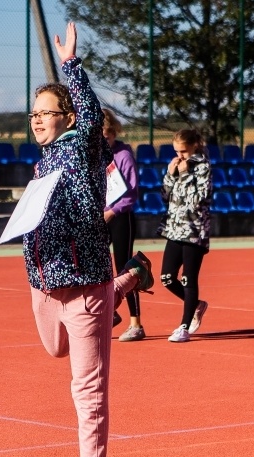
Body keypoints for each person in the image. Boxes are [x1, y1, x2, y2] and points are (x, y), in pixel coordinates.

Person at [20, 22, 153, 457]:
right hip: (44, 281)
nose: (36, 120)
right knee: (56, 350)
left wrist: (72, 65)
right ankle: (132, 279)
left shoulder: (81, 147)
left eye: (46, 113)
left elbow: (92, 112)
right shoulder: (41, 163)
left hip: (85, 282)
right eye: (32, 114)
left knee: (87, 389)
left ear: (69, 118)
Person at [158, 129, 213, 342]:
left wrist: (184, 174)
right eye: (176, 151)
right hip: (174, 228)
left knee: (188, 278)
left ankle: (184, 326)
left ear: (194, 147)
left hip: (194, 230)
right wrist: (171, 175)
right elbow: (165, 196)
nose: (180, 155)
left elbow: (198, 200)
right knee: (167, 278)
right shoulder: (178, 164)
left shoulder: (203, 167)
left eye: (184, 151)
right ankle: (197, 304)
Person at [102, 108, 145, 342]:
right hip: (99, 217)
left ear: (114, 133)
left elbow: (131, 193)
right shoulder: (93, 157)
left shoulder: (123, 156)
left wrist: (112, 211)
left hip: (120, 217)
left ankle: (136, 323)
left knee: (125, 269)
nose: (104, 140)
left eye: (107, 136)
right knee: (96, 265)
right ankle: (111, 313)